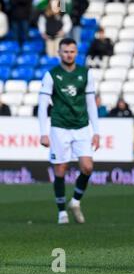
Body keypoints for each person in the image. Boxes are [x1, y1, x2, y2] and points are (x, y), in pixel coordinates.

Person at [38, 38, 100, 224]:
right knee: (60, 168)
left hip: (81, 126)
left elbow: (91, 104)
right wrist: (43, 132)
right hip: (59, 127)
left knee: (88, 167)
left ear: (76, 53)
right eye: (65, 51)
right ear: (59, 53)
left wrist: (96, 131)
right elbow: (42, 106)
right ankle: (61, 212)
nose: (68, 54)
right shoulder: (51, 75)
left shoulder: (86, 74)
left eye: (72, 51)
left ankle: (75, 201)